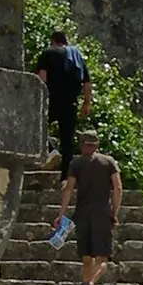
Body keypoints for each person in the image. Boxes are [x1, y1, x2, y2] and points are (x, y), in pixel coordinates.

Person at [63, 126, 122, 285]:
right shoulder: (108, 162)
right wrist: (114, 211)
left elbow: (68, 188)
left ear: (81, 145)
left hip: (82, 213)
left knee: (86, 255)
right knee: (102, 258)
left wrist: (62, 213)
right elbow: (117, 187)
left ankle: (86, 284)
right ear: (96, 145)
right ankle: (90, 282)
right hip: (102, 214)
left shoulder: (75, 163)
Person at [33, 28, 91, 175]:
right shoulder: (77, 56)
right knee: (67, 140)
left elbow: (42, 78)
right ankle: (66, 178)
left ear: (52, 41)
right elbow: (87, 83)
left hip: (52, 99)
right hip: (71, 102)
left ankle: (51, 150)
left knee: (37, 125)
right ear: (66, 41)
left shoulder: (48, 53)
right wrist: (86, 103)